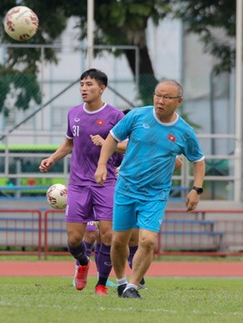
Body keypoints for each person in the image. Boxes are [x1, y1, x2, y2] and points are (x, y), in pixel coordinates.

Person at [95, 79, 206, 299]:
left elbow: (199, 160)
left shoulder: (184, 131)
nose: (160, 101)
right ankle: (121, 281)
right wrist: (101, 165)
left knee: (147, 240)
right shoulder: (137, 116)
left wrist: (197, 189)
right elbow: (111, 139)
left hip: (155, 194)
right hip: (126, 188)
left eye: (166, 97)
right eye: (157, 95)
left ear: (178, 101)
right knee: (118, 242)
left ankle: (133, 286)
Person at [39, 68, 126, 295]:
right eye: (82, 84)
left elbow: (129, 146)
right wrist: (52, 158)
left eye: (89, 85)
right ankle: (83, 262)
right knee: (75, 238)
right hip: (77, 183)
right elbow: (69, 144)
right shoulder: (74, 113)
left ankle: (101, 284)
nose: (84, 89)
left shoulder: (116, 116)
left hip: (105, 181)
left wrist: (108, 143)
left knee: (107, 234)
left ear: (102, 88)